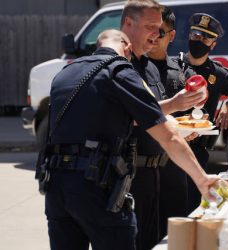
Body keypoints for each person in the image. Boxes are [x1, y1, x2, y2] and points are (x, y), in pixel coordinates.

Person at [40, 28, 218, 250]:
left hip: (55, 187)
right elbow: (168, 136)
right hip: (96, 186)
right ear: (127, 48)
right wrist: (202, 180)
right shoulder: (119, 70)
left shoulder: (64, 74)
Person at [120, 1, 204, 249]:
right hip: (134, 174)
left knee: (164, 241)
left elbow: (157, 118)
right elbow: (134, 115)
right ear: (128, 25)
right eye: (150, 28)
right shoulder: (122, 67)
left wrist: (178, 127)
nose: (155, 36)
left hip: (163, 170)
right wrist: (174, 105)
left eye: (160, 30)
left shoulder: (154, 70)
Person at [166, 13, 228, 216]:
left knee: (190, 208)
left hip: (198, 151)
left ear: (213, 44)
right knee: (166, 208)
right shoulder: (172, 66)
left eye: (205, 38)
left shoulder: (218, 72)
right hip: (169, 147)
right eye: (196, 35)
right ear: (189, 35)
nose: (199, 40)